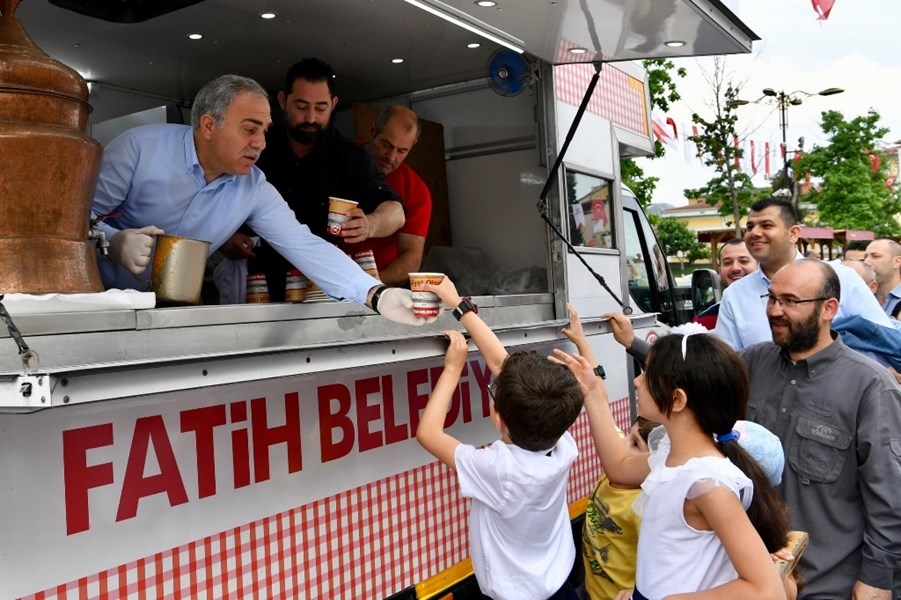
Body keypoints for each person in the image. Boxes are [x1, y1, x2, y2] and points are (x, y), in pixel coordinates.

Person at [91, 74, 425, 325]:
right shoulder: (138, 148)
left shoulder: (253, 188)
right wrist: (111, 242)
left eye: (264, 130)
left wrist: (376, 295)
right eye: (250, 129)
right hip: (94, 307)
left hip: (170, 317)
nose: (261, 143)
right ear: (209, 125)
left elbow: (305, 246)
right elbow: (66, 223)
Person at [553, 331, 789, 600]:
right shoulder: (673, 458)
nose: (637, 381)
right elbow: (618, 467)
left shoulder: (706, 482)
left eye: (647, 374)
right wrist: (592, 393)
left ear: (677, 400)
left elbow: (767, 591)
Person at [741, 259, 901, 599]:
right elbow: (696, 380)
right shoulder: (752, 363)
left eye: (790, 301)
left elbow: (890, 496)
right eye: (771, 298)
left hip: (830, 585)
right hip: (754, 579)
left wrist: (876, 578)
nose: (775, 310)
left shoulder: (870, 386)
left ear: (829, 308)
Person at [416, 277, 583, 600]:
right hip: (559, 584)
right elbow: (500, 364)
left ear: (498, 419)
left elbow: (428, 433)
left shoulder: (499, 468)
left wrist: (453, 368)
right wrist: (458, 304)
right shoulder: (562, 444)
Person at [224, 58, 405, 301]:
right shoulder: (256, 146)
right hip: (255, 282)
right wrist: (225, 236)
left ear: (333, 104)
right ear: (282, 100)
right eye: (301, 106)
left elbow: (396, 212)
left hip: (320, 288)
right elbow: (216, 195)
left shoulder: (349, 157)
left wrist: (370, 224)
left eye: (320, 108)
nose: (311, 117)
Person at [714, 196, 892, 350]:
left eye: (766, 225)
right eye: (750, 227)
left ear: (793, 233)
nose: (755, 233)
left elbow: (884, 339)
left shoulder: (842, 278)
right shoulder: (735, 295)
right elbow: (728, 362)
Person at [357, 105, 432, 286]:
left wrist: (366, 285)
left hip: (377, 288)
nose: (391, 157)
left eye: (401, 151)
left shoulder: (416, 191)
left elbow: (411, 259)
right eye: (386, 145)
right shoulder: (345, 157)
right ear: (372, 131)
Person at [693, 239, 758, 329]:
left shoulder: (776, 311)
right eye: (727, 263)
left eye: (743, 261)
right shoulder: (704, 322)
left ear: (759, 266)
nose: (735, 268)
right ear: (720, 270)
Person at [864, 238, 901, 318]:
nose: (866, 262)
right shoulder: (862, 297)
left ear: (897, 262)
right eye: (865, 257)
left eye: (875, 256)